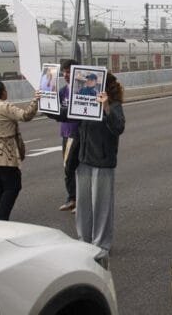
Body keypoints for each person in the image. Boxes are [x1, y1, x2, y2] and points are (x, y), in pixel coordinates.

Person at [74, 73, 125, 258]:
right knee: (83, 204)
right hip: (84, 159)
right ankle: (83, 241)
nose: (89, 84)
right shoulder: (84, 101)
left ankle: (101, 245)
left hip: (103, 161)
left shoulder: (114, 105)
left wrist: (105, 108)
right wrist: (47, 101)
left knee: (101, 205)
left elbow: (119, 127)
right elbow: (64, 116)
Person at [0, 83, 40, 220]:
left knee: (0, 188)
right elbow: (25, 116)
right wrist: (35, 100)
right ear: (2, 92)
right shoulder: (4, 107)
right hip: (5, 155)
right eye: (5, 89)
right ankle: (2, 220)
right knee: (12, 186)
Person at [57, 59, 81, 212]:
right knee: (68, 167)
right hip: (66, 133)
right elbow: (56, 110)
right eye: (64, 72)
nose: (66, 75)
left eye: (69, 71)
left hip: (79, 133)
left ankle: (78, 199)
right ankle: (72, 198)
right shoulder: (62, 91)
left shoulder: (82, 90)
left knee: (73, 167)